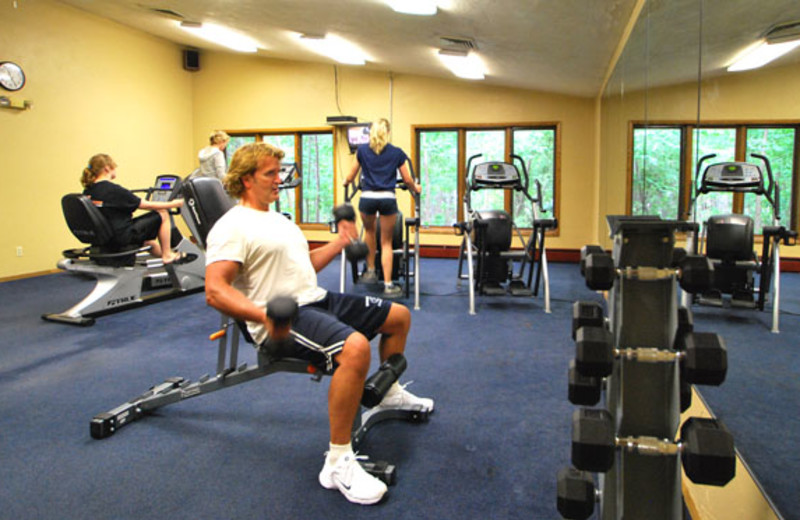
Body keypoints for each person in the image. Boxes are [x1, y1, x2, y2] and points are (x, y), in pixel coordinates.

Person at [204, 142, 433, 505]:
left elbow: (303, 266)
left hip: (315, 299)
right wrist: (263, 316)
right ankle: (338, 462)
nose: (279, 180)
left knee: (398, 316)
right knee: (355, 348)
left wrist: (340, 242)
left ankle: (388, 395)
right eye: (270, 174)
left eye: (279, 172)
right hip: (281, 318)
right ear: (246, 180)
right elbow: (215, 291)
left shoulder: (278, 219)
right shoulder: (231, 226)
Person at [345, 118, 421, 298]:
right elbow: (408, 179)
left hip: (367, 198)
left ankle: (371, 271)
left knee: (369, 233)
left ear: (371, 133)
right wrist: (415, 188)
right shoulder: (396, 153)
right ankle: (388, 285)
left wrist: (345, 181)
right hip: (387, 198)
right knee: (386, 242)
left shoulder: (362, 151)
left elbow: (351, 175)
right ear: (387, 133)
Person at [80, 154, 189, 264]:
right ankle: (167, 255)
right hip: (121, 237)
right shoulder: (113, 190)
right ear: (107, 168)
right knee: (163, 213)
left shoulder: (88, 191)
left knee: (150, 243)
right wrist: (173, 204)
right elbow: (146, 205)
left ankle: (172, 259)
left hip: (105, 239)